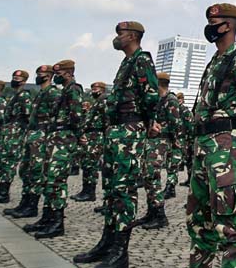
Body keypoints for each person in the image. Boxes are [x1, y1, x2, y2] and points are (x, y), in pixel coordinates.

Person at [186, 3, 236, 268]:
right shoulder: (215, 61)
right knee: (199, 221)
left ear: (228, 25)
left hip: (224, 147)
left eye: (215, 21)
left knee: (229, 223)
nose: (210, 26)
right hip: (203, 147)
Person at [74, 21, 159, 268]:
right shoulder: (127, 62)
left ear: (132, 36)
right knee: (111, 189)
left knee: (123, 190)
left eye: (120, 34)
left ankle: (120, 252)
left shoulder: (142, 60)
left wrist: (145, 124)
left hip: (129, 130)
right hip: (116, 130)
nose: (116, 38)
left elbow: (151, 96)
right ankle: (107, 244)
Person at [26, 59, 83, 239]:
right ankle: (47, 218)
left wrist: (77, 135)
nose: (56, 76)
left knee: (57, 180)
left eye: (59, 74)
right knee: (48, 178)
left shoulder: (74, 89)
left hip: (64, 137)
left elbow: (77, 116)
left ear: (68, 72)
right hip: (55, 137)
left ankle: (57, 223)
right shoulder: (65, 90)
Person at [6, 65, 57, 221]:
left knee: (36, 171)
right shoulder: (40, 93)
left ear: (49, 76)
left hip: (42, 135)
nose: (38, 76)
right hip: (32, 134)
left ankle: (32, 206)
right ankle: (25, 202)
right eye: (38, 73)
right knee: (26, 169)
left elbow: (55, 115)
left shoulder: (53, 93)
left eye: (41, 74)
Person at [137, 72, 180, 230]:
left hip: (161, 141)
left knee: (153, 175)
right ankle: (151, 211)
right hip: (151, 141)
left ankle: (160, 215)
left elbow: (176, 124)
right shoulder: (158, 100)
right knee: (147, 176)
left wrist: (162, 130)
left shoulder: (171, 100)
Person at [0, 71, 33, 204]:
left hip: (16, 133)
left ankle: (4, 193)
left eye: (17, 78)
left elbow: (29, 116)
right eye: (13, 78)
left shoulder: (24, 95)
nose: (14, 80)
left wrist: (23, 133)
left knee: (9, 163)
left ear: (24, 81)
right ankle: (0, 191)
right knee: (5, 162)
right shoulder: (15, 96)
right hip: (9, 132)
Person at [72, 82, 108, 202]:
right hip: (90, 135)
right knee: (87, 163)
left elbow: (106, 120)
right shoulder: (96, 102)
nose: (93, 91)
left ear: (102, 90)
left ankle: (89, 192)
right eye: (92, 88)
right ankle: (86, 190)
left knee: (91, 164)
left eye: (96, 88)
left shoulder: (103, 101)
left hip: (96, 136)